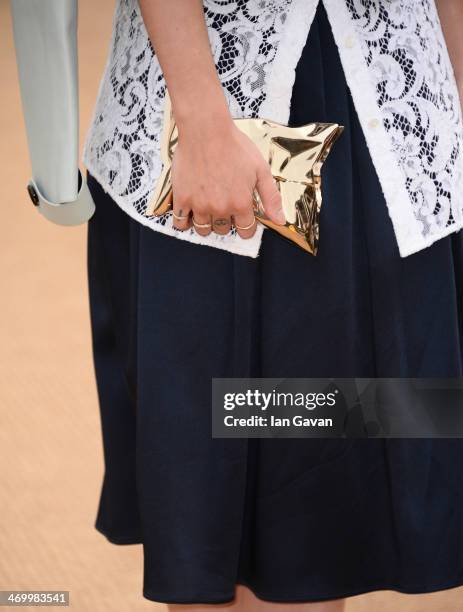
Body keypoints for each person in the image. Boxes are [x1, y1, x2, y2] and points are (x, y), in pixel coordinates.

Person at [12, 0, 463, 609]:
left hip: (402, 135)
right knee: (211, 515)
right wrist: (202, 121)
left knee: (326, 507)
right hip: (214, 131)